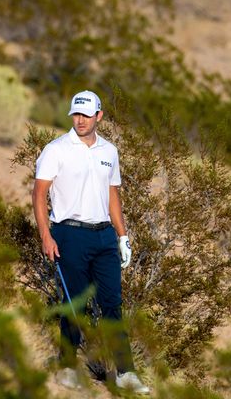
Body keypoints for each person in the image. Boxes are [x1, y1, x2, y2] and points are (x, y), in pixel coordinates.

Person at [32, 90, 150, 394]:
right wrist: (46, 234)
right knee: (76, 303)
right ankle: (67, 366)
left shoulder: (109, 152)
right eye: (76, 114)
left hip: (104, 236)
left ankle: (125, 373)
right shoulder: (56, 149)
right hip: (69, 233)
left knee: (112, 304)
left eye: (86, 115)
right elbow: (39, 194)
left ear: (99, 116)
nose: (80, 120)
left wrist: (122, 236)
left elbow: (113, 195)